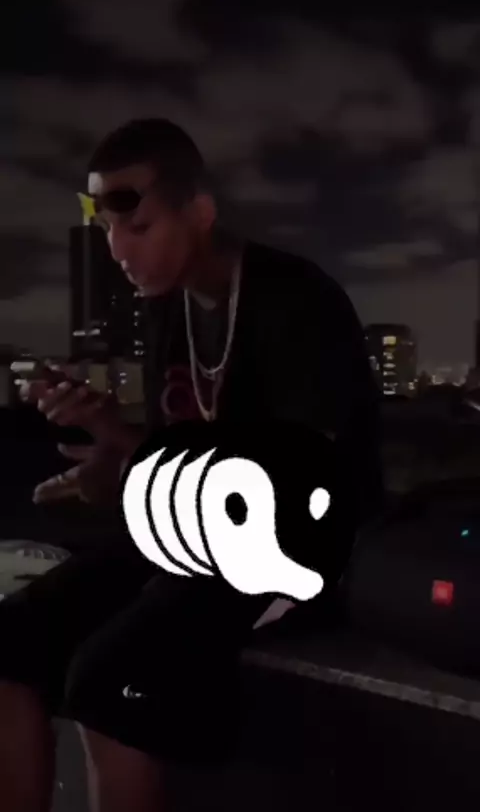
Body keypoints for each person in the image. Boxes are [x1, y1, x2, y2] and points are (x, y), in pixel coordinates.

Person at [0, 118, 383, 812]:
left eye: (138, 226)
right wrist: (115, 466)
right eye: (107, 229)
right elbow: (171, 452)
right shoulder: (168, 311)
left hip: (295, 551)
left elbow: (294, 487)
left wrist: (122, 443)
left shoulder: (294, 298)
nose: (117, 249)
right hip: (198, 540)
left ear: (200, 212)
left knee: (108, 680)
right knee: (9, 640)